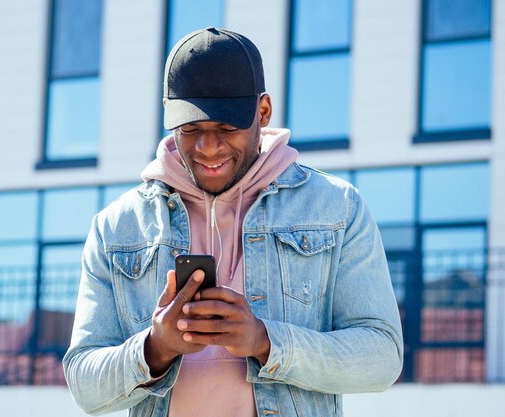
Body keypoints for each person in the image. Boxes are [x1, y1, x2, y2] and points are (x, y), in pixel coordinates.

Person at [63, 27, 403, 417]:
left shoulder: (336, 208)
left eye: (226, 128)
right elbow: (84, 386)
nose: (209, 148)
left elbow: (382, 357)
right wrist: (156, 347)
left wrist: (265, 342)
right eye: (191, 129)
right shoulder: (117, 226)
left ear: (263, 112)